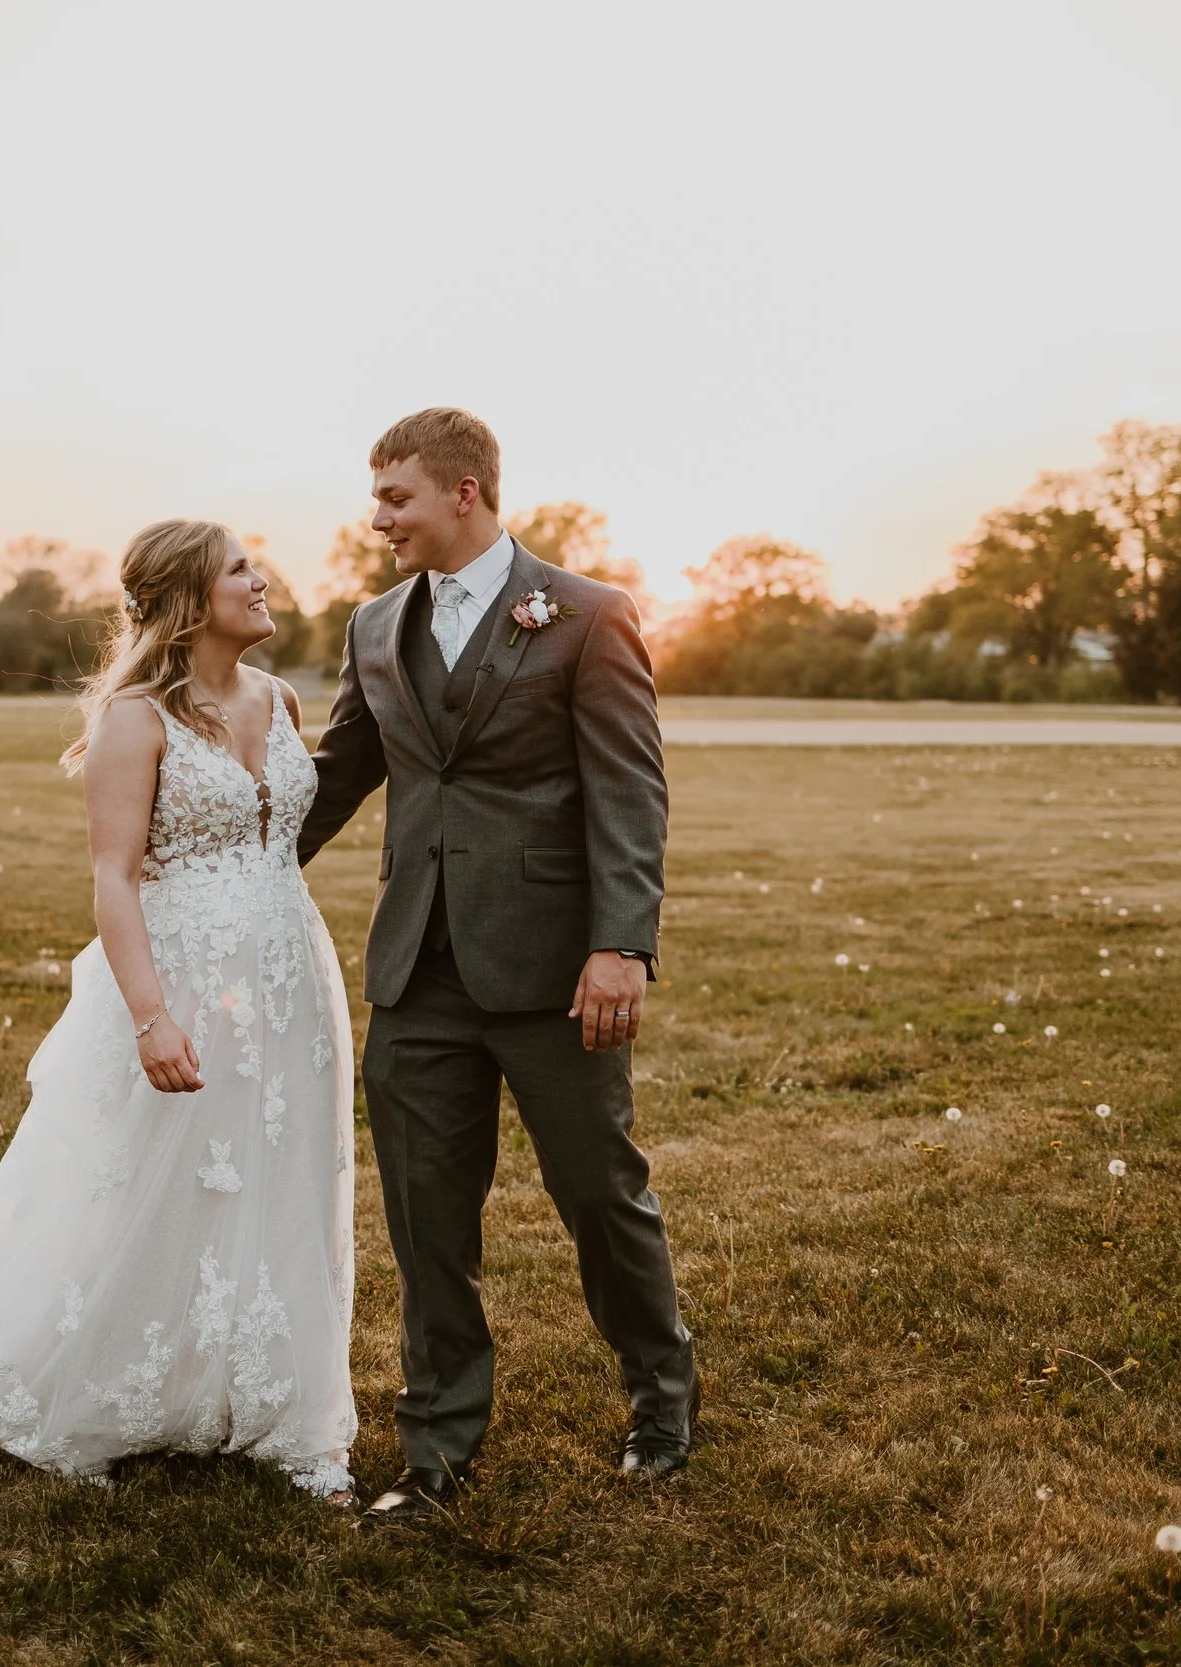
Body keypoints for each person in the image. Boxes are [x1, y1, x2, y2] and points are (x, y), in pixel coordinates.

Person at [0, 519, 358, 1503]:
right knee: (147, 1181)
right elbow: (111, 875)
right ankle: (96, 1380)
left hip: (289, 973)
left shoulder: (279, 697)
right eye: (241, 568)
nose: (263, 579)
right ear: (191, 597)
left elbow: (276, 836)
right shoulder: (134, 719)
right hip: (177, 974)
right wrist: (151, 1015)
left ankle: (277, 1406)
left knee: (280, 1175)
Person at [298, 408, 696, 1525]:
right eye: (377, 499)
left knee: (598, 1194)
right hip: (412, 968)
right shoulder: (373, 625)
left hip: (552, 969)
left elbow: (629, 789)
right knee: (428, 1218)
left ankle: (661, 1399)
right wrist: (223, 870)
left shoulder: (585, 614)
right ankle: (438, 1446)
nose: (378, 519)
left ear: (462, 493)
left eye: (395, 499)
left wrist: (621, 943)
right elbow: (339, 772)